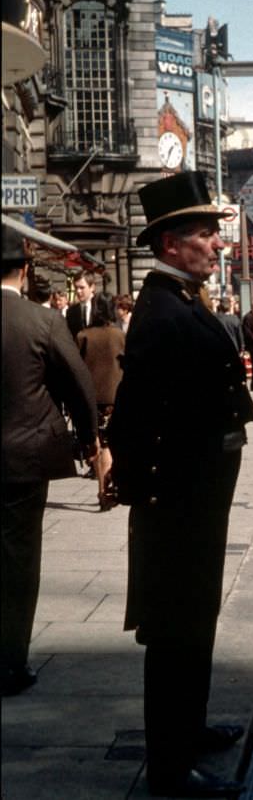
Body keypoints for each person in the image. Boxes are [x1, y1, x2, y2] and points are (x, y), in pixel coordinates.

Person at [108, 171, 253, 798]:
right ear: (170, 244)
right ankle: (169, 769)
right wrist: (146, 492)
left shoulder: (184, 300)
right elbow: (138, 416)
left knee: (196, 620)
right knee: (174, 632)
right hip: (178, 500)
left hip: (196, 496)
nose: (217, 246)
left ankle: (188, 731)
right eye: (205, 235)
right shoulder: (163, 312)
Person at [1, 223, 98, 697]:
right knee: (18, 561)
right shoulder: (42, 322)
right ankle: (10, 664)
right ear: (23, 271)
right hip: (23, 460)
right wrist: (90, 438)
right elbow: (77, 385)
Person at [77, 292, 125, 511]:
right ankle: (109, 487)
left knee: (97, 442)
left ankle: (102, 489)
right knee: (111, 443)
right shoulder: (119, 335)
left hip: (91, 397)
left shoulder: (84, 336)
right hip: (116, 396)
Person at [66, 271, 96, 338]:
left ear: (92, 287)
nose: (78, 291)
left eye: (82, 287)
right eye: (76, 288)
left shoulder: (100, 307)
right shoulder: (71, 312)